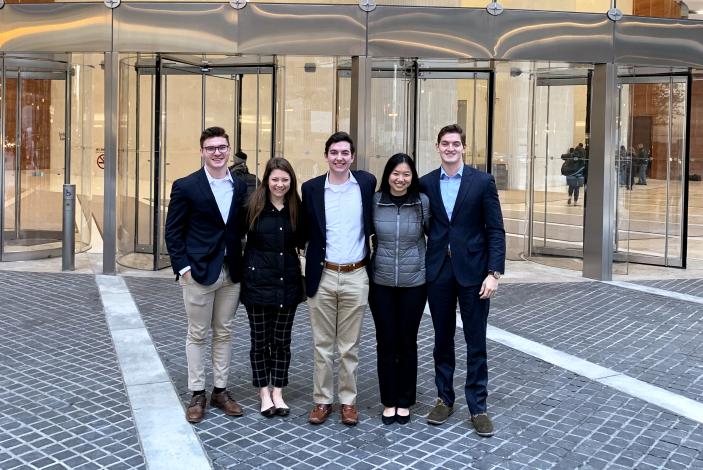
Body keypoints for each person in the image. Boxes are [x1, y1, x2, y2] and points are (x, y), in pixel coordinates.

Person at [419, 124, 505, 437]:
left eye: (456, 144)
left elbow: (495, 229)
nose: (451, 148)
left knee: (475, 341)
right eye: (445, 143)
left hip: (475, 275)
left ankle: (478, 406)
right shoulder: (425, 183)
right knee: (442, 341)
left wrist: (494, 272)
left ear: (464, 148)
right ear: (438, 147)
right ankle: (444, 398)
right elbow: (425, 225)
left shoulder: (482, 182)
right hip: (439, 273)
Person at [164, 126, 248, 423]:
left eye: (222, 147)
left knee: (224, 332)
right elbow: (172, 231)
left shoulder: (239, 186)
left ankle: (221, 391)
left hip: (231, 273)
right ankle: (197, 393)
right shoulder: (186, 185)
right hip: (198, 274)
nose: (217, 152)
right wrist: (183, 269)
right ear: (202, 151)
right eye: (211, 148)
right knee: (197, 334)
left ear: (229, 149)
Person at [301, 131, 377, 426]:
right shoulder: (311, 189)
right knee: (322, 344)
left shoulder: (366, 184)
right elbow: (303, 228)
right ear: (326, 156)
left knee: (349, 346)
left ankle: (348, 401)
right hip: (323, 274)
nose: (340, 158)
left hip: (356, 274)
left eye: (345, 153)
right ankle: (322, 401)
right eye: (334, 152)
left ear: (353, 156)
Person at [369, 153, 430, 425]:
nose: (400, 179)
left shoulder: (421, 203)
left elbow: (434, 235)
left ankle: (405, 400)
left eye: (406, 174)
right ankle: (389, 400)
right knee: (386, 342)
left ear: (412, 177)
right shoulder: (375, 201)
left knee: (407, 342)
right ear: (388, 175)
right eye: (396, 173)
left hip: (413, 283)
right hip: (380, 282)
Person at [241, 157, 305, 418]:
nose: (280, 184)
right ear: (267, 180)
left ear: (291, 181)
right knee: (260, 342)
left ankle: (278, 391)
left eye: (285, 180)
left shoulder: (297, 208)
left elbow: (302, 241)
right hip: (257, 284)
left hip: (287, 284)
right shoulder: (252, 205)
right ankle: (263, 392)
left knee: (281, 341)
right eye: (275, 179)